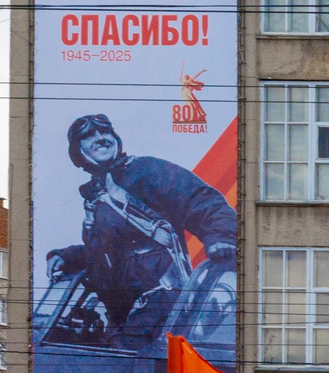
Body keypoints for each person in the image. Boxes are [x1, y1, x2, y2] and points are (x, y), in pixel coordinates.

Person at [43, 113, 238, 351]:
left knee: (120, 365)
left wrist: (221, 236)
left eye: (105, 132)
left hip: (161, 303)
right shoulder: (96, 198)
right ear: (77, 151)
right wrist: (69, 256)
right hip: (124, 315)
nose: (100, 138)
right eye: (88, 135)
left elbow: (201, 199)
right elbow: (110, 252)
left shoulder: (146, 170)